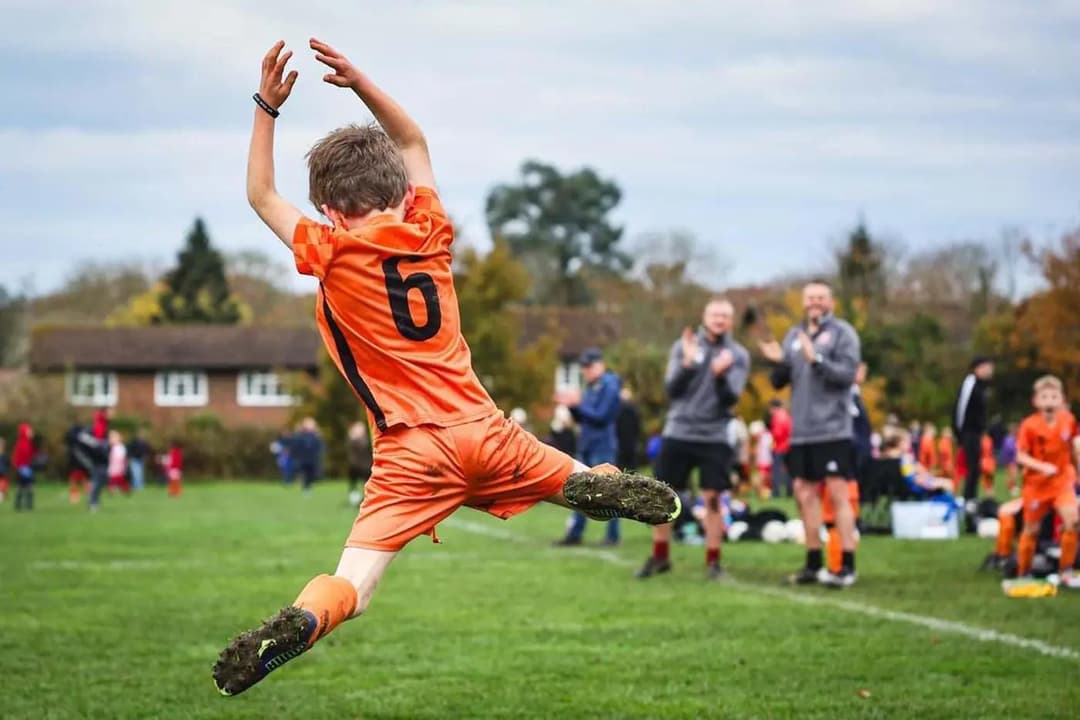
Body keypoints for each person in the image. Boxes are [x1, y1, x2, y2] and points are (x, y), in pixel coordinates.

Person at [212, 39, 679, 697]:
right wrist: (361, 82)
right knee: (561, 477)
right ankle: (589, 484)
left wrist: (266, 106)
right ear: (402, 194)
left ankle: (306, 618)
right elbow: (414, 139)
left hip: (411, 451)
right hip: (485, 429)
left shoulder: (330, 248)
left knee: (356, 584)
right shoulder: (429, 228)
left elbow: (261, 194)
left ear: (328, 209)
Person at [636, 297, 750, 580]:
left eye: (725, 315)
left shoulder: (738, 355)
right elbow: (671, 391)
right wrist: (687, 364)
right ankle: (660, 556)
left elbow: (731, 398)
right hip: (679, 432)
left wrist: (720, 376)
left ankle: (713, 562)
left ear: (731, 321)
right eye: (715, 314)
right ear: (704, 316)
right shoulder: (684, 346)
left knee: (712, 499)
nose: (719, 320)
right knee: (662, 495)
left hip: (715, 436)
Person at [760, 280, 861, 588]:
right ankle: (813, 562)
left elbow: (847, 375)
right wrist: (776, 360)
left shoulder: (843, 333)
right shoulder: (794, 334)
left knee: (837, 494)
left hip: (832, 428)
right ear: (803, 302)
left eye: (820, 297)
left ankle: (846, 563)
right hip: (801, 431)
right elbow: (780, 381)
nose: (815, 302)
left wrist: (816, 358)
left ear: (830, 301)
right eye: (810, 297)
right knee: (804, 495)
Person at [553, 348, 623, 546]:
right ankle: (575, 533)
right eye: (583, 367)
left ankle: (612, 536)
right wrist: (571, 406)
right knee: (580, 490)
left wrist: (577, 405)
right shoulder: (591, 386)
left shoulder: (609, 385)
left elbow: (601, 417)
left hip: (603, 446)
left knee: (611, 492)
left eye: (589, 366)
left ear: (600, 365)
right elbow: (583, 418)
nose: (585, 370)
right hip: (587, 444)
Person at [1014, 376, 1078, 583]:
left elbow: (1075, 447)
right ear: (1036, 401)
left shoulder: (1068, 420)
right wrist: (1042, 467)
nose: (1049, 401)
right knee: (1031, 529)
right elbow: (1021, 456)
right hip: (1036, 485)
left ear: (1061, 400)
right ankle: (1023, 572)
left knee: (1073, 522)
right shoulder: (1029, 425)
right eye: (1044, 397)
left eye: (1054, 396)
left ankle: (1066, 570)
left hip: (1061, 482)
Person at [953, 357, 994, 516]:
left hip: (976, 433)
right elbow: (960, 410)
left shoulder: (982, 387)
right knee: (970, 469)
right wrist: (960, 434)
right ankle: (968, 502)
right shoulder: (970, 383)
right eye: (987, 367)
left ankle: (972, 501)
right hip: (968, 433)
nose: (990, 371)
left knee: (975, 469)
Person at [769, 399, 793, 498]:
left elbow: (777, 433)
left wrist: (773, 438)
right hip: (789, 446)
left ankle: (776, 492)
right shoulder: (787, 415)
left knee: (777, 471)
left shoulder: (777, 416)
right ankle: (789, 491)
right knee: (789, 471)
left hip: (779, 447)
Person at [615, 387, 642, 473]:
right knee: (632, 468)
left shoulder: (617, 410)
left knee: (620, 469)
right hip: (632, 443)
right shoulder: (635, 409)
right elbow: (637, 426)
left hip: (620, 443)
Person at [346, 421, 373, 507]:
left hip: (366, 466)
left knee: (366, 484)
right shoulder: (353, 439)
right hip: (355, 465)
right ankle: (355, 499)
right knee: (353, 483)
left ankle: (365, 499)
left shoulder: (366, 439)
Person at [12, 423, 35, 512]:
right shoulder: (22, 443)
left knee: (23, 486)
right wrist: (20, 468)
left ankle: (22, 505)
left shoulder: (27, 443)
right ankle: (24, 505)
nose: (31, 432)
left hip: (26, 468)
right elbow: (18, 458)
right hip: (24, 469)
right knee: (26, 486)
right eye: (29, 431)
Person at [750, 420, 773, 499]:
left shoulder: (767, 436)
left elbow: (770, 448)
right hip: (761, 461)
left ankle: (766, 492)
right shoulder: (760, 439)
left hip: (767, 461)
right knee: (762, 477)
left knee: (765, 478)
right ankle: (762, 492)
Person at [107, 430, 129, 495]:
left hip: (119, 465)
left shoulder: (120, 447)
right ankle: (113, 490)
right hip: (112, 466)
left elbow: (122, 457)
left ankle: (125, 489)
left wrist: (122, 464)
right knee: (112, 479)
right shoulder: (110, 447)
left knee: (120, 478)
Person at [1000, 423, 1018, 496]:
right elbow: (1010, 449)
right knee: (1012, 475)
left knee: (1013, 475)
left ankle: (1012, 487)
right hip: (1010, 460)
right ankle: (1010, 488)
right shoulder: (1008, 439)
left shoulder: (1012, 439)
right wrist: (1017, 448)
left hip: (1012, 460)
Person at [0, 437, 8, 503]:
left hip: (3, 471)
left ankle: (2, 494)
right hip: (2, 471)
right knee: (3, 483)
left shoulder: (4, 454)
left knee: (3, 483)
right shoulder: (2, 455)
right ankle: (2, 495)